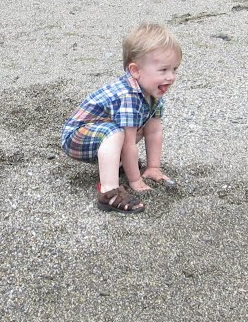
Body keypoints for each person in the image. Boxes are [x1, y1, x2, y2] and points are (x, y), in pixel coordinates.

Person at [61, 23, 181, 214]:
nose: (171, 77)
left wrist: (153, 167)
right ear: (135, 70)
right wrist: (135, 180)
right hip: (77, 137)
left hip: (100, 134)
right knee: (118, 133)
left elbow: (154, 132)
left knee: (137, 128)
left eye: (175, 69)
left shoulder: (153, 93)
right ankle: (109, 192)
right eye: (163, 70)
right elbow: (128, 143)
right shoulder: (129, 96)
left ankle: (119, 165)